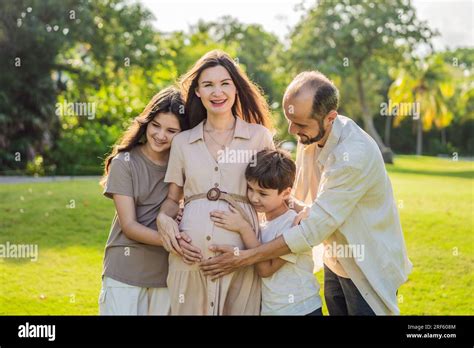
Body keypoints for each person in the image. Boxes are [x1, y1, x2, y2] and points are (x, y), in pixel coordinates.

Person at [200, 71, 413, 315]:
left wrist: (243, 257)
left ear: (330, 118)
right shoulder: (310, 138)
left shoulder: (353, 155)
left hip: (368, 263)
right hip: (336, 260)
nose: (292, 130)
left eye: (300, 124)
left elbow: (312, 230)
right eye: (289, 119)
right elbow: (295, 201)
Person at [156, 50, 275, 315]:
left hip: (240, 256)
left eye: (224, 83)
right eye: (208, 85)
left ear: (236, 88)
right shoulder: (182, 142)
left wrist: (299, 211)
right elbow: (172, 201)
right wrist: (163, 220)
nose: (217, 92)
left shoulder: (258, 137)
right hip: (189, 258)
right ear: (197, 91)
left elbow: (275, 194)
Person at [98, 86, 188, 315]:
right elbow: (129, 226)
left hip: (165, 274)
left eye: (171, 130)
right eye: (155, 125)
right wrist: (175, 243)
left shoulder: (183, 164)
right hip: (124, 272)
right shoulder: (124, 162)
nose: (160, 135)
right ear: (146, 122)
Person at [210, 149, 323, 315]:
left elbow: (266, 269)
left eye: (262, 193)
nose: (254, 198)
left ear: (285, 193)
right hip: (274, 310)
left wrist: (243, 228)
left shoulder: (293, 224)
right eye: (250, 189)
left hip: (300, 308)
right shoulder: (263, 223)